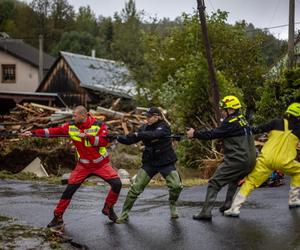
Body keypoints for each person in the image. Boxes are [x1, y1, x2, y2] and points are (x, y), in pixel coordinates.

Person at [21, 106, 122, 228]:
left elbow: (103, 142)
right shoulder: (71, 126)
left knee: (117, 184)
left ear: (83, 115)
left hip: (101, 164)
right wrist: (32, 133)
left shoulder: (99, 125)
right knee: (69, 190)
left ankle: (108, 208)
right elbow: (52, 131)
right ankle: (57, 217)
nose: (72, 118)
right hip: (83, 166)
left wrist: (88, 137)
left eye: (75, 115)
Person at [186, 95, 256, 221]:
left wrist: (194, 134)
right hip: (250, 161)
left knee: (214, 182)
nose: (222, 112)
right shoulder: (243, 120)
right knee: (234, 179)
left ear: (231, 110)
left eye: (224, 110)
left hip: (238, 160)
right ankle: (227, 204)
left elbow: (213, 134)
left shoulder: (230, 122)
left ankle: (206, 212)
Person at [224, 102, 300, 217]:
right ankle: (293, 199)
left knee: (250, 182)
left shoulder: (276, 122)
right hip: (286, 161)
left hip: (266, 160)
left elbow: (256, 129)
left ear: (287, 112)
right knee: (298, 171)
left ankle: (234, 208)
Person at [112, 107, 183, 223]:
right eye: (147, 116)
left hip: (165, 162)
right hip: (150, 162)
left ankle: (173, 206)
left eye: (149, 117)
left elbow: (155, 134)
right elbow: (130, 140)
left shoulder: (164, 126)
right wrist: (117, 137)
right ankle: (124, 214)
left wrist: (138, 134)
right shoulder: (144, 127)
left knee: (176, 186)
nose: (147, 119)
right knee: (135, 188)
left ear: (157, 117)